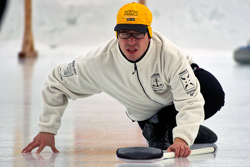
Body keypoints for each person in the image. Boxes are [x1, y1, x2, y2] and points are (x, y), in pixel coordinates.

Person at [22, 2, 225, 158]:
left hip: (176, 96)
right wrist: (47, 129)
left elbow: (190, 101)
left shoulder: (169, 55)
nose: (131, 41)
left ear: (149, 35)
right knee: (171, 125)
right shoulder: (99, 61)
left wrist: (181, 140)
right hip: (145, 114)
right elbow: (56, 81)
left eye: (138, 33)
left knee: (212, 92)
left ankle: (170, 129)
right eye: (124, 33)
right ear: (117, 34)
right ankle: (156, 127)